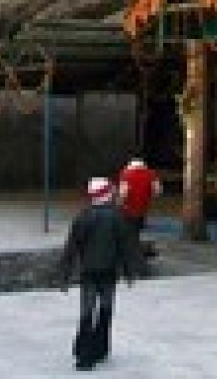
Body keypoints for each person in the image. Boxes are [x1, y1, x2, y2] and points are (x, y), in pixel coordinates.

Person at [58, 177, 141, 372]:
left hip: (88, 271)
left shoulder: (82, 217)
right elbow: (126, 247)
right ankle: (100, 348)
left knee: (86, 312)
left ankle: (83, 355)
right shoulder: (119, 217)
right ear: (108, 194)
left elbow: (71, 248)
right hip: (109, 272)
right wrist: (130, 272)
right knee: (105, 310)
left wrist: (65, 275)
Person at [117, 157, 162, 253]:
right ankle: (135, 246)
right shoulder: (151, 174)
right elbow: (157, 191)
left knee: (128, 228)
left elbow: (123, 193)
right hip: (143, 207)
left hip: (128, 208)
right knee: (138, 226)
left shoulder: (126, 174)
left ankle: (129, 247)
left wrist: (120, 203)